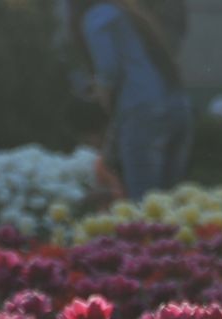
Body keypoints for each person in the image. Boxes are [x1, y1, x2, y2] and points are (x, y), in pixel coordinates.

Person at [77, 0, 191, 197]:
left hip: (143, 109)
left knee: (143, 201)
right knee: (169, 202)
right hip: (178, 107)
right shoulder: (129, 14)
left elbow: (108, 70)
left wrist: (103, 96)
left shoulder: (97, 16)